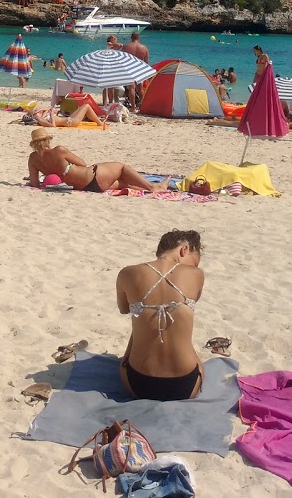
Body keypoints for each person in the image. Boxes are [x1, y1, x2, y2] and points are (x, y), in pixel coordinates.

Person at [116, 229, 206, 401]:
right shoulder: (196, 275)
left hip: (138, 384)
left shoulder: (127, 273)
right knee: (180, 322)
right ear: (184, 250)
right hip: (185, 386)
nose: (194, 267)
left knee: (141, 318)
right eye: (194, 263)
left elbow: (124, 309)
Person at [25, 127, 156, 192]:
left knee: (122, 183)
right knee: (121, 167)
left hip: (85, 187)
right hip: (92, 177)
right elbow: (82, 163)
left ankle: (151, 188)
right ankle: (151, 187)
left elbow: (35, 183)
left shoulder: (33, 159)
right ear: (47, 140)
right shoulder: (59, 150)